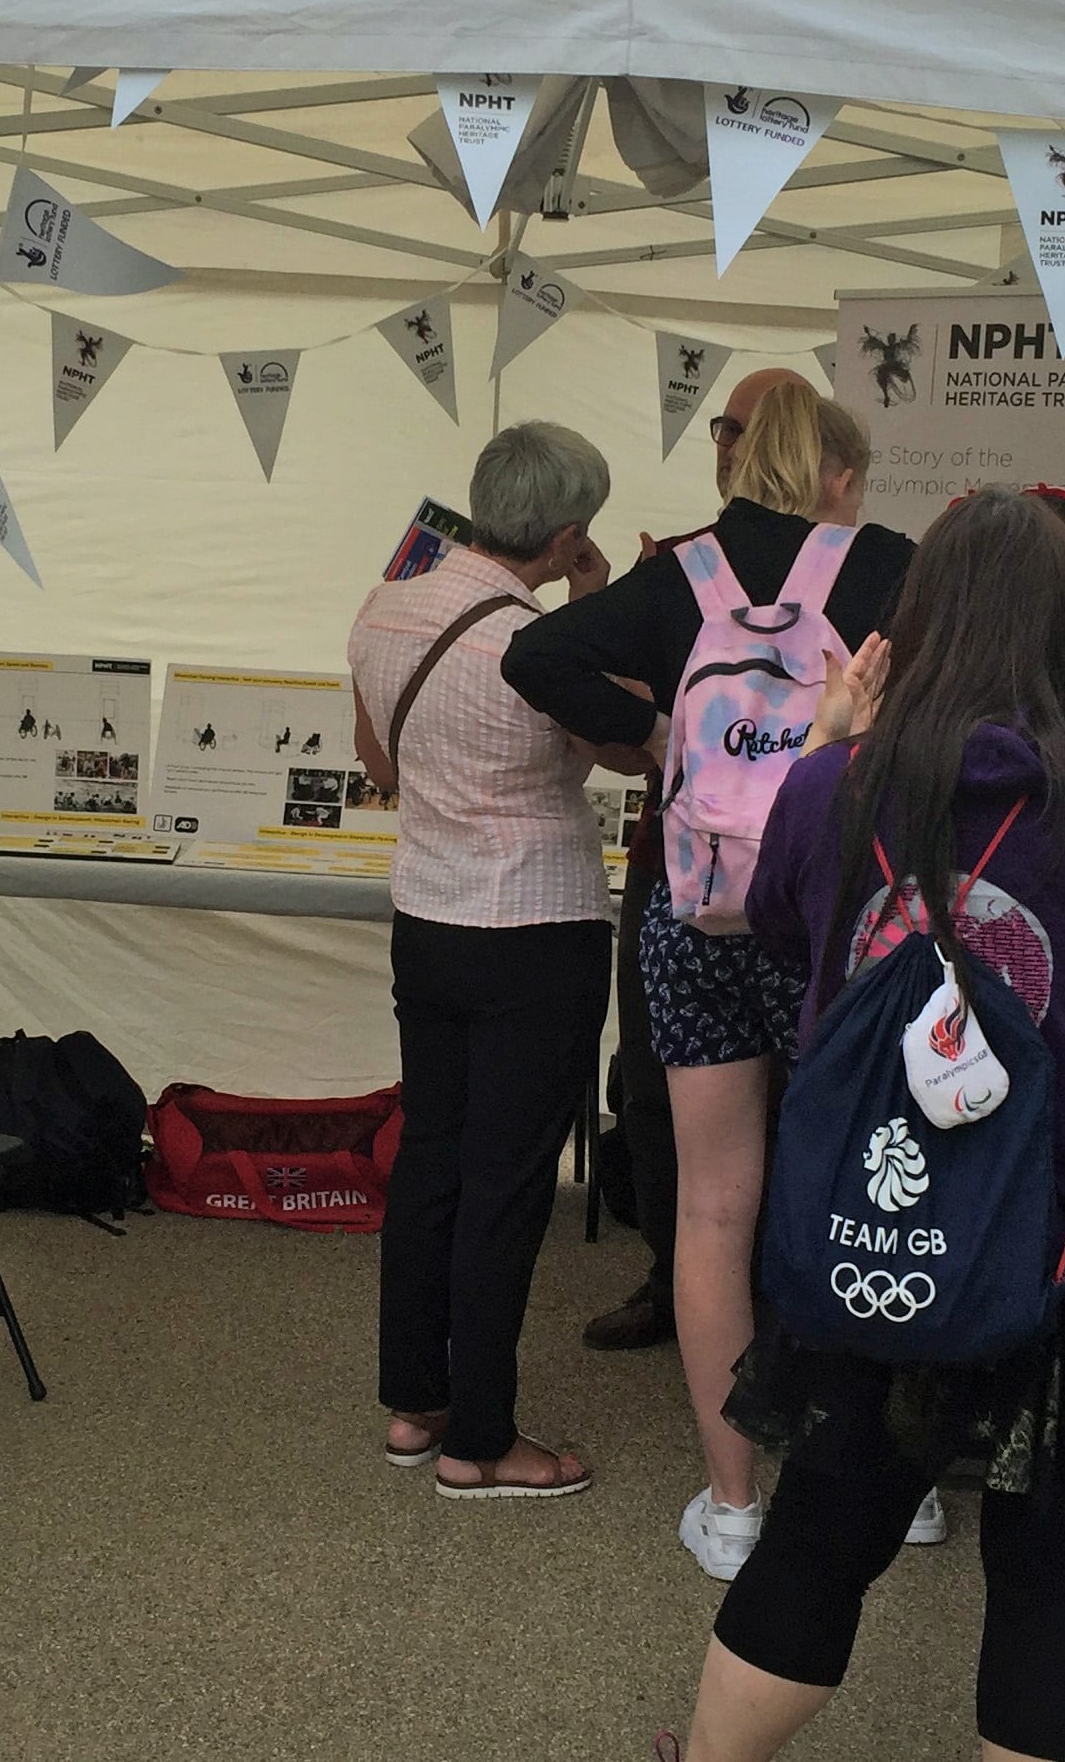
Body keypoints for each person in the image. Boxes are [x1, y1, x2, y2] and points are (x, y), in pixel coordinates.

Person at [669, 487, 1065, 1762]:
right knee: (1057, 1574)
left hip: (890, 1224)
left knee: (819, 1537)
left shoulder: (832, 791)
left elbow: (797, 938)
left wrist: (833, 738)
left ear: (909, 626)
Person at [504, 380, 912, 1576]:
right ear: (836, 465)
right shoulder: (888, 565)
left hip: (700, 915)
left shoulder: (681, 572)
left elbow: (538, 651)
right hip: (839, 918)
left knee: (713, 1206)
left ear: (738, 458)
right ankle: (879, 1478)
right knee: (861, 1192)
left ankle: (731, 1501)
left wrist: (658, 744)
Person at [346, 420, 635, 1499]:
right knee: (507, 1184)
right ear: (567, 537)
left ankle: (416, 1405)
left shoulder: (389, 604)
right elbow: (622, 741)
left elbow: (378, 759)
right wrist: (597, 610)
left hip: (427, 911)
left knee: (432, 1159)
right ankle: (483, 1438)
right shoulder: (542, 637)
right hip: (536, 922)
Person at [583, 366, 818, 1357]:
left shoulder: (852, 569)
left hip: (810, 877)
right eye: (723, 426)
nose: (732, 444)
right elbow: (606, 724)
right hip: (675, 865)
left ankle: (792, 1288)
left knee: (808, 1086)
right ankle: (671, 1275)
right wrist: (660, 731)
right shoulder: (676, 567)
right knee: (653, 1079)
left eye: (752, 429)